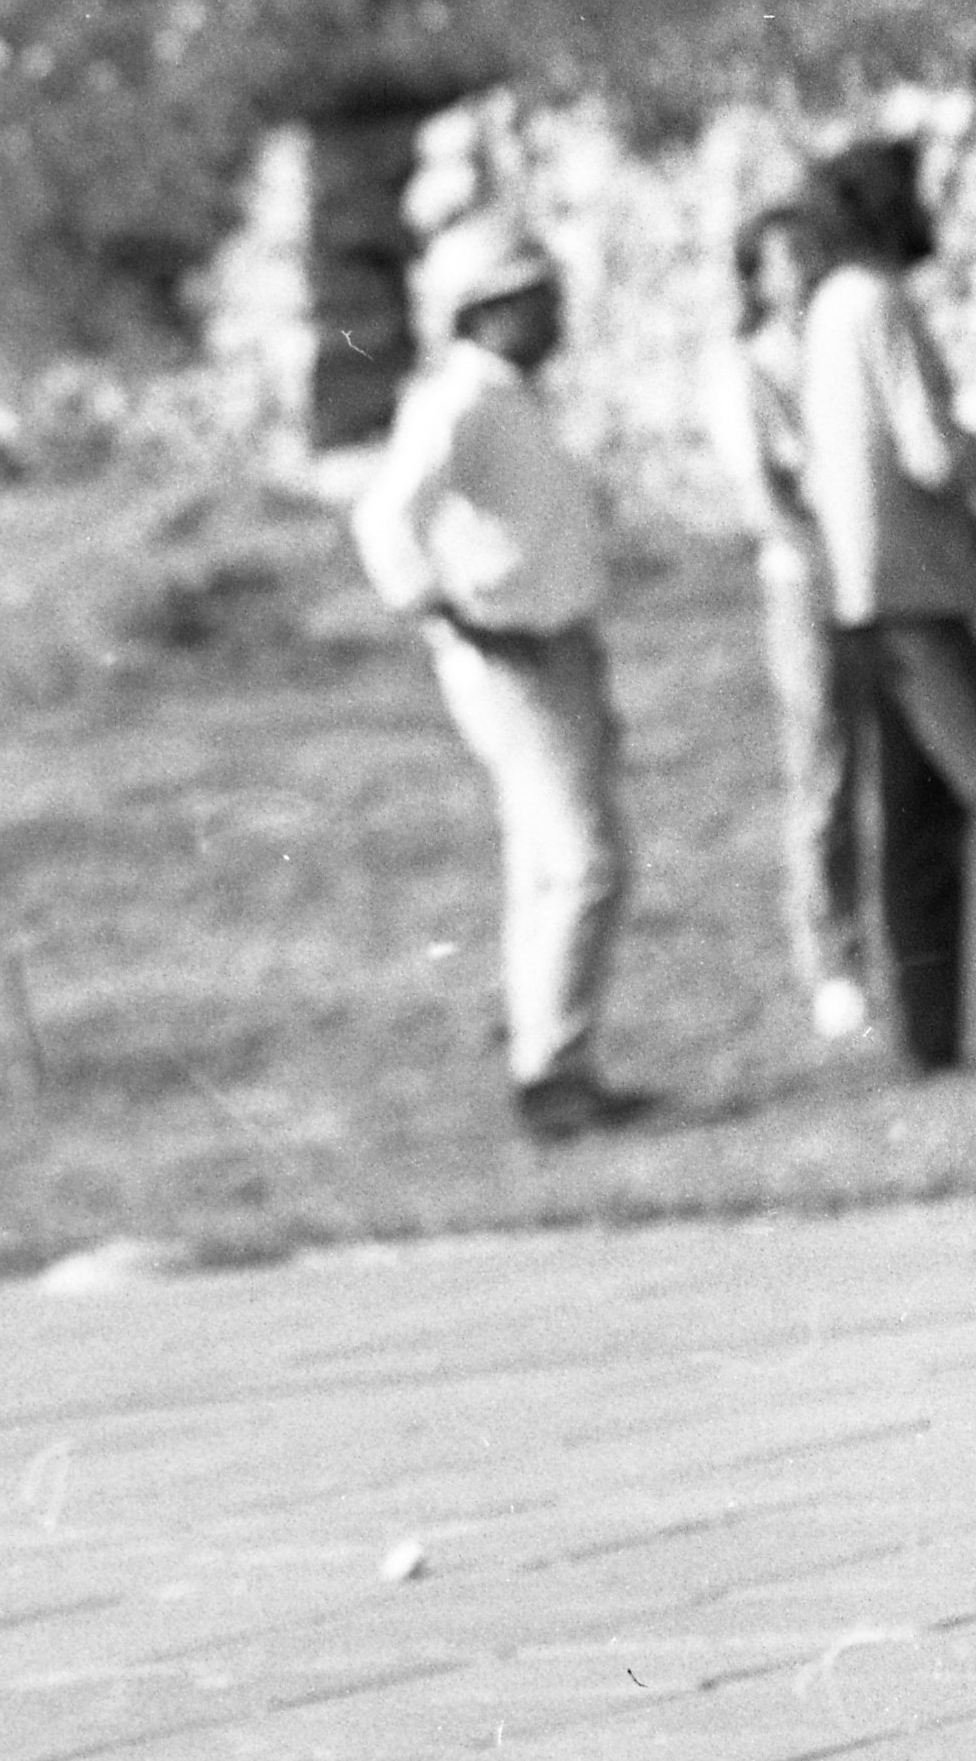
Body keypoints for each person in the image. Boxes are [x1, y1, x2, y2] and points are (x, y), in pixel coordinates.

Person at [351, 205, 646, 1141]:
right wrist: (454, 617)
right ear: (487, 311)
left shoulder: (509, 397)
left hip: (558, 645)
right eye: (535, 299)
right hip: (510, 657)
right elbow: (388, 519)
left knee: (546, 867)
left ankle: (551, 1063)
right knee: (587, 864)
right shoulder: (461, 400)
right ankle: (555, 1075)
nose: (555, 314)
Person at [799, 131, 976, 1071]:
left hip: (863, 594)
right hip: (920, 591)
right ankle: (933, 1036)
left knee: (914, 828)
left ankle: (931, 1040)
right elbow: (931, 453)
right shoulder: (882, 302)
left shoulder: (830, 305)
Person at [707, 182, 873, 1050]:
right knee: (825, 767)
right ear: (756, 278)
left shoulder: (847, 337)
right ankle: (834, 963)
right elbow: (766, 499)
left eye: (814, 251)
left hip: (879, 574)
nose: (804, 272)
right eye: (785, 259)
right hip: (808, 581)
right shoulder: (751, 368)